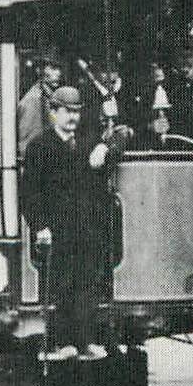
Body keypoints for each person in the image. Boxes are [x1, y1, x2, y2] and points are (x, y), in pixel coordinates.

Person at [21, 86, 120, 361]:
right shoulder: (39, 147)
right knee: (61, 285)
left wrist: (105, 147)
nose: (73, 117)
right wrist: (39, 226)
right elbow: (29, 192)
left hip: (87, 228)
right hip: (57, 230)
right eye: (67, 111)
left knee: (87, 285)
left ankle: (85, 342)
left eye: (77, 112)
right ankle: (62, 343)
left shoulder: (89, 143)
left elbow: (123, 138)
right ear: (53, 113)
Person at [17, 58, 63, 156]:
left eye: (59, 68)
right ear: (39, 71)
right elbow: (28, 143)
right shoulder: (35, 99)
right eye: (53, 68)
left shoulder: (49, 96)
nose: (59, 73)